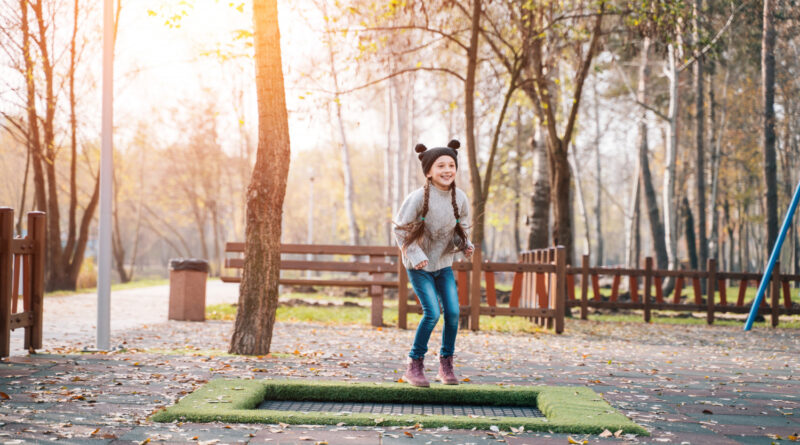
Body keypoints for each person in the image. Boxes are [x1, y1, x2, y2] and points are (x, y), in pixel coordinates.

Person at [394, 139, 474, 387]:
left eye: (451, 164)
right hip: (418, 267)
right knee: (432, 313)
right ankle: (414, 365)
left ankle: (445, 364)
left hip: (442, 265)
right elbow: (400, 230)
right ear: (429, 171)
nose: (447, 170)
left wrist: (466, 244)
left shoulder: (459, 197)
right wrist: (417, 256)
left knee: (452, 313)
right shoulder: (417, 198)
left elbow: (462, 226)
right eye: (441, 166)